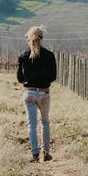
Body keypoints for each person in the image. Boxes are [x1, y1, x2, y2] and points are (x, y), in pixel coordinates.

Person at [16, 26, 57, 162]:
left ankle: (35, 153)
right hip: (44, 93)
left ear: (29, 38)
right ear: (42, 38)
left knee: (31, 125)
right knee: (44, 122)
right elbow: (53, 77)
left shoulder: (23, 56)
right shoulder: (50, 56)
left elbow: (20, 78)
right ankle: (46, 152)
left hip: (29, 93)